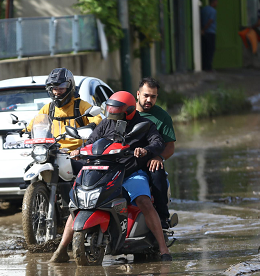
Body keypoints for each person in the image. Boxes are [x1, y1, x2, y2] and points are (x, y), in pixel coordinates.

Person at [50, 91, 172, 263]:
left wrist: (146, 150)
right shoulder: (107, 123)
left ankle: (163, 249)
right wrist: (80, 150)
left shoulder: (144, 124)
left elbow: (157, 142)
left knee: (144, 201)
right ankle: (61, 249)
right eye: (111, 112)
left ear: (128, 111)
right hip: (105, 171)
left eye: (118, 112)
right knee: (78, 203)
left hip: (131, 172)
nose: (113, 116)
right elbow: (92, 141)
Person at [27, 68, 102, 153]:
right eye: (54, 89)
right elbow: (34, 125)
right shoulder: (48, 108)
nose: (57, 92)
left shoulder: (81, 105)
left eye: (61, 88)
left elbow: (97, 119)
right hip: (53, 152)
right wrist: (25, 131)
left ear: (70, 87)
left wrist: (92, 125)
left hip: (78, 152)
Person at [135, 77, 175, 229]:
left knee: (157, 173)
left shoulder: (163, 117)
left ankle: (163, 218)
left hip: (149, 161)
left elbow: (170, 147)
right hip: (126, 160)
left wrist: (159, 157)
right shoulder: (126, 111)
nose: (148, 100)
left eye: (153, 97)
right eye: (146, 95)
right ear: (138, 94)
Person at [200, 0, 218, 72]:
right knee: (210, 50)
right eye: (216, 1)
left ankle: (204, 66)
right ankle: (209, 67)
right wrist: (204, 29)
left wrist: (202, 30)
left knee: (204, 50)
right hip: (210, 32)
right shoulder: (213, 11)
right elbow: (210, 21)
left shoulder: (204, 9)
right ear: (213, 1)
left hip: (204, 33)